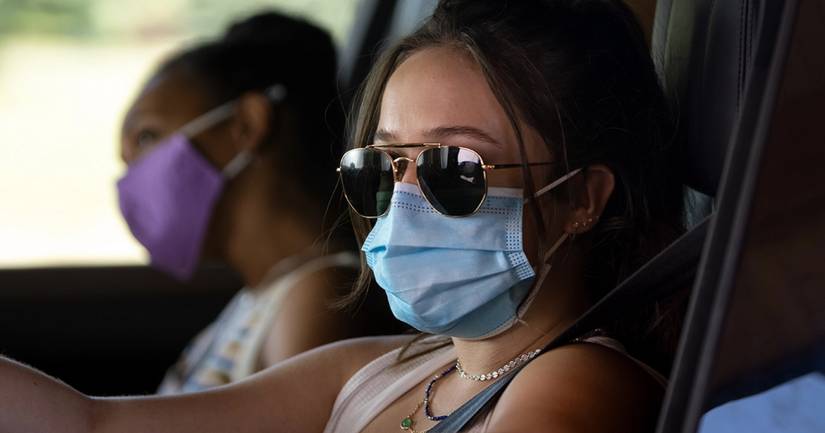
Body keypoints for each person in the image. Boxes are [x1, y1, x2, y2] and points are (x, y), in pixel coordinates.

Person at [0, 1, 686, 431]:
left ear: (579, 198)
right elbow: (91, 423)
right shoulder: (378, 371)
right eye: (384, 166)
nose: (407, 198)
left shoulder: (580, 382)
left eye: (455, 166)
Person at [117, 11, 401, 393]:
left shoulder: (315, 298)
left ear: (247, 125)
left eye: (148, 138)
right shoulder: (261, 295)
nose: (132, 174)